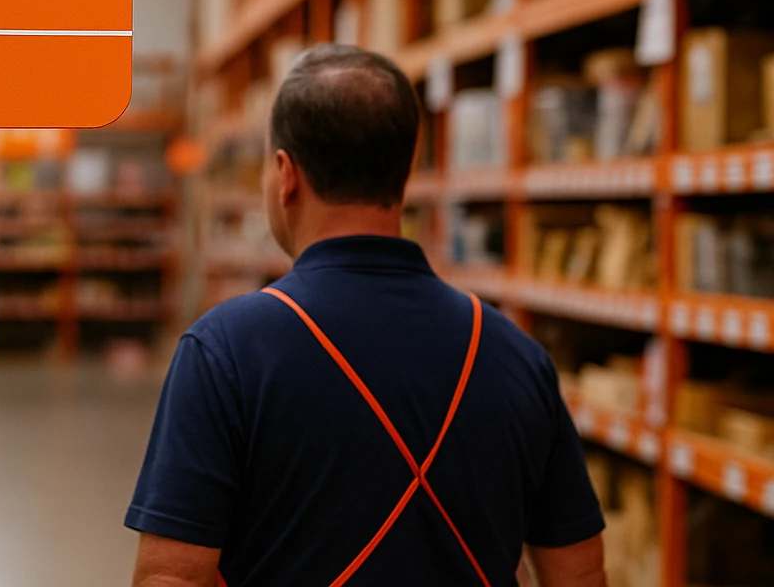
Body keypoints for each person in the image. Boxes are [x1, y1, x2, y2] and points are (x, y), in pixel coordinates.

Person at [126, 45, 606, 587]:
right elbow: (580, 572)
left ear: (286, 175)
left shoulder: (226, 351)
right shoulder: (515, 356)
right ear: (404, 170)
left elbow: (172, 579)